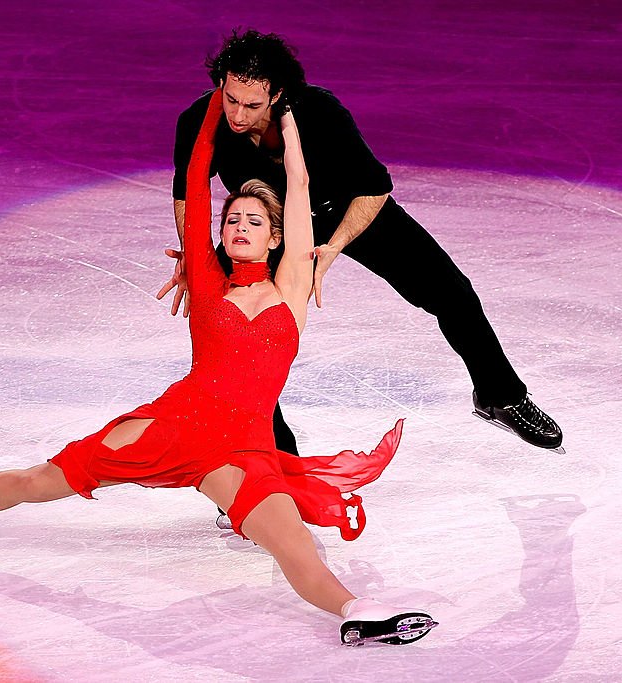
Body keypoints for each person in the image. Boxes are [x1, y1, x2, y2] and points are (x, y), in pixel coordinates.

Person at [0, 94, 437, 647]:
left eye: (254, 222)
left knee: (292, 543)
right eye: (233, 220)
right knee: (38, 482)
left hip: (244, 451)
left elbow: (301, 187)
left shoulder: (292, 288)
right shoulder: (206, 283)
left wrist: (287, 125)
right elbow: (200, 166)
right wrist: (213, 107)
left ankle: (356, 616)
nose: (238, 227)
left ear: (277, 236)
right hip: (175, 424)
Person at [160, 30, 563, 462]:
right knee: (237, 343)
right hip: (269, 228)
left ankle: (499, 394)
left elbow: (374, 189)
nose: (237, 114)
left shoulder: (320, 111)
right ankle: (272, 464)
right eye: (231, 97)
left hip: (347, 210)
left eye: (252, 104)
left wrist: (332, 247)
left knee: (452, 292)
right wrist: (195, 260)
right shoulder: (198, 119)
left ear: (277, 94)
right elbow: (188, 194)